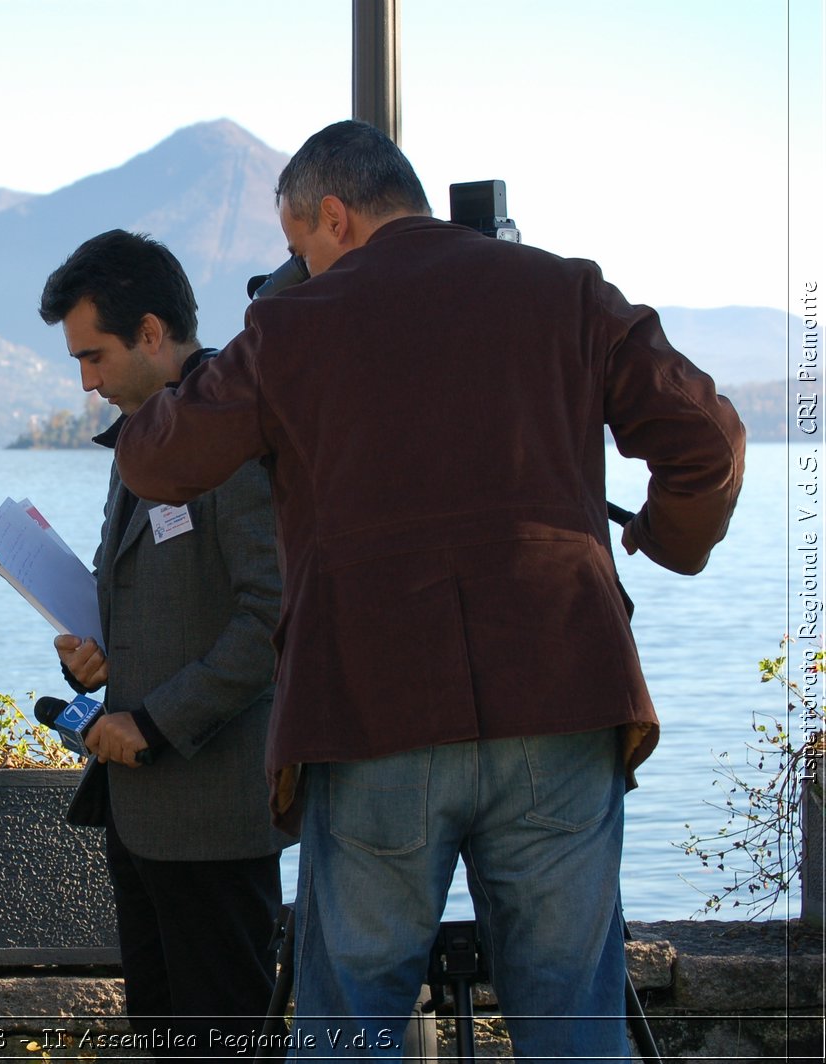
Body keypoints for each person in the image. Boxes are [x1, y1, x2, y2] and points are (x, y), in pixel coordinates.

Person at [113, 121, 745, 1057]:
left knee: (352, 1023)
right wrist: (665, 539)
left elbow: (158, 458)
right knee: (573, 1014)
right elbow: (708, 440)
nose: (298, 270)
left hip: (370, 711)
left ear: (332, 216)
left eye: (299, 249)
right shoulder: (563, 289)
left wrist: (283, 310)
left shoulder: (293, 325)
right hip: (563, 694)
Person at [38, 230, 289, 1057]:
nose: (86, 381)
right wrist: (100, 657)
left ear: (152, 333)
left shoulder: (234, 433)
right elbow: (164, 598)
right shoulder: (146, 435)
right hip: (142, 817)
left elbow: (271, 616)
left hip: (216, 819)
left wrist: (152, 721)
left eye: (95, 355)